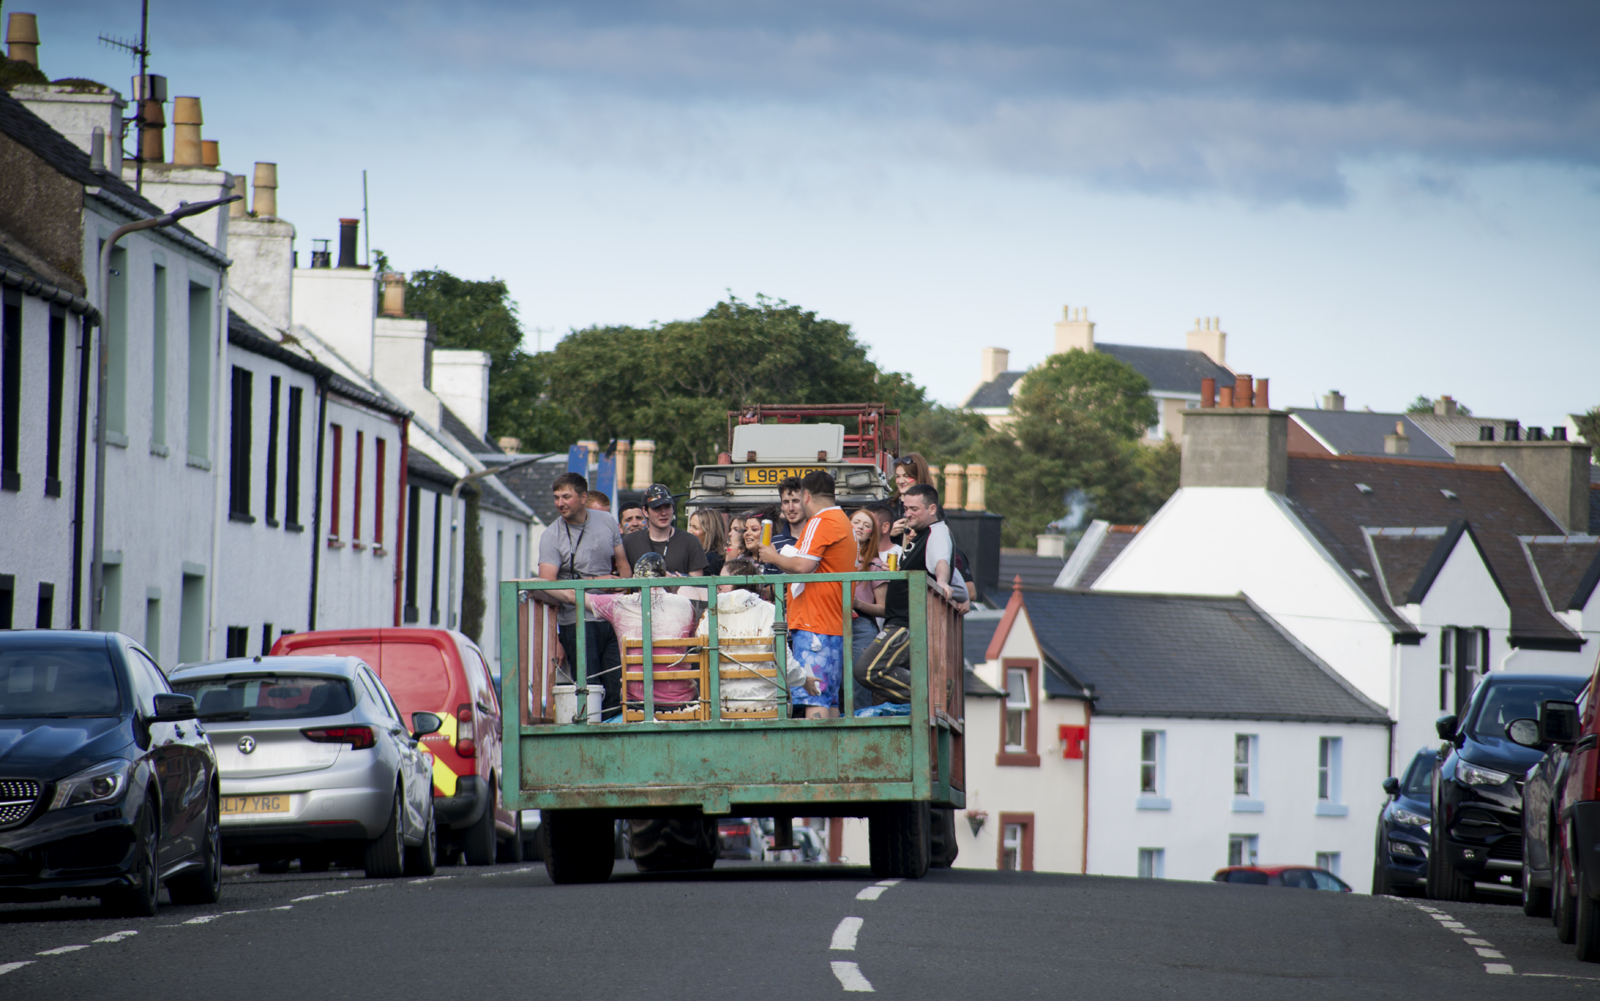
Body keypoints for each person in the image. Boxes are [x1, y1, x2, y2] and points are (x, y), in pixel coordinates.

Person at [540, 553, 699, 715]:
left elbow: (571, 595)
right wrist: (673, 586)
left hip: (637, 703)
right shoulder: (685, 604)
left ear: (635, 579)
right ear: (664, 576)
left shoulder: (620, 604)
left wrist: (536, 582)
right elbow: (692, 639)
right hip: (682, 703)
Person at [758, 471, 855, 719]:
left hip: (815, 623)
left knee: (814, 699)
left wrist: (772, 557)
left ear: (807, 496)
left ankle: (816, 748)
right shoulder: (843, 520)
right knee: (828, 700)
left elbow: (803, 566)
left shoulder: (820, 521)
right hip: (832, 623)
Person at [536, 472, 630, 717]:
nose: (560, 503)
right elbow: (547, 585)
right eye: (556, 497)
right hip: (577, 621)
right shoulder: (551, 536)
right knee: (589, 688)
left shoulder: (606, 520)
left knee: (618, 688)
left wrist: (623, 587)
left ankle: (615, 734)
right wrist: (599, 582)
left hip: (612, 618)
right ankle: (592, 737)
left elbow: (623, 564)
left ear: (583, 497)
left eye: (566, 497)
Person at [855, 484, 949, 707]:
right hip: (899, 620)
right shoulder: (920, 535)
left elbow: (942, 561)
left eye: (914, 509)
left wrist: (943, 581)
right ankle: (932, 695)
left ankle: (936, 694)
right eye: (906, 509)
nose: (907, 514)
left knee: (866, 671)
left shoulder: (937, 533)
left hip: (907, 622)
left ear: (932, 509)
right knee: (876, 672)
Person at [697, 559, 819, 715]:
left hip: (720, 704)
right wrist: (804, 680)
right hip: (764, 703)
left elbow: (701, 651)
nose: (718, 584)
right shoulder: (770, 611)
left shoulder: (710, 614)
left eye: (722, 579)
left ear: (736, 580)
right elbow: (785, 663)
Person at [622, 484, 710, 579]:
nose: (663, 513)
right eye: (657, 508)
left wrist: (674, 581)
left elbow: (697, 583)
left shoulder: (690, 541)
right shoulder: (629, 541)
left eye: (667, 506)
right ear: (645, 511)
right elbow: (622, 580)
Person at [888, 454, 937, 539]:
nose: (900, 481)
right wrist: (887, 533)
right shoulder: (885, 508)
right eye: (897, 476)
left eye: (906, 476)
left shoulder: (935, 510)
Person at [688, 509, 728, 576]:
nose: (690, 531)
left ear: (709, 532)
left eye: (695, 528)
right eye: (690, 526)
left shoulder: (711, 559)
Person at [774, 477, 806, 548]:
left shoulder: (818, 537)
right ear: (781, 506)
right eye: (786, 502)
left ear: (806, 503)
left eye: (795, 501)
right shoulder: (774, 543)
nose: (791, 508)